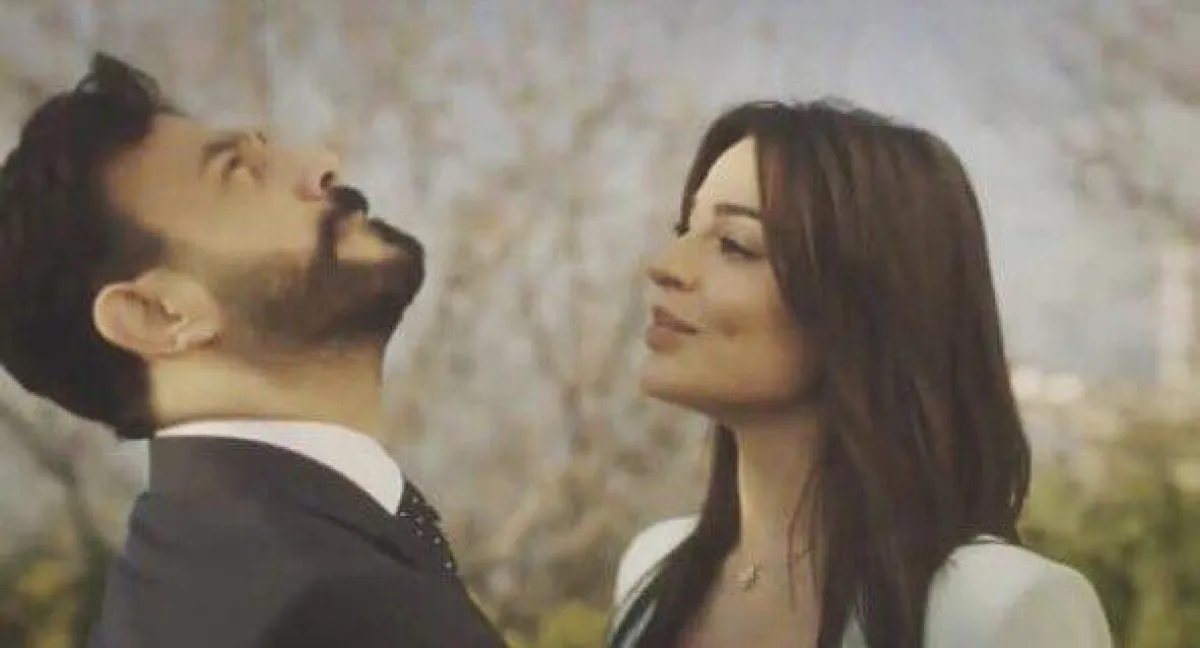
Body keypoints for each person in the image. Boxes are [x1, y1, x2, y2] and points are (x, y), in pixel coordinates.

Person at [0, 53, 507, 648]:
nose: (323, 164)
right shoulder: (329, 606)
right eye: (240, 172)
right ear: (158, 315)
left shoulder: (193, 573)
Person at [605, 100, 1112, 648]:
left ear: (866, 305)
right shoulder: (654, 577)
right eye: (684, 229)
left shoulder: (999, 608)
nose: (667, 266)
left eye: (735, 245)